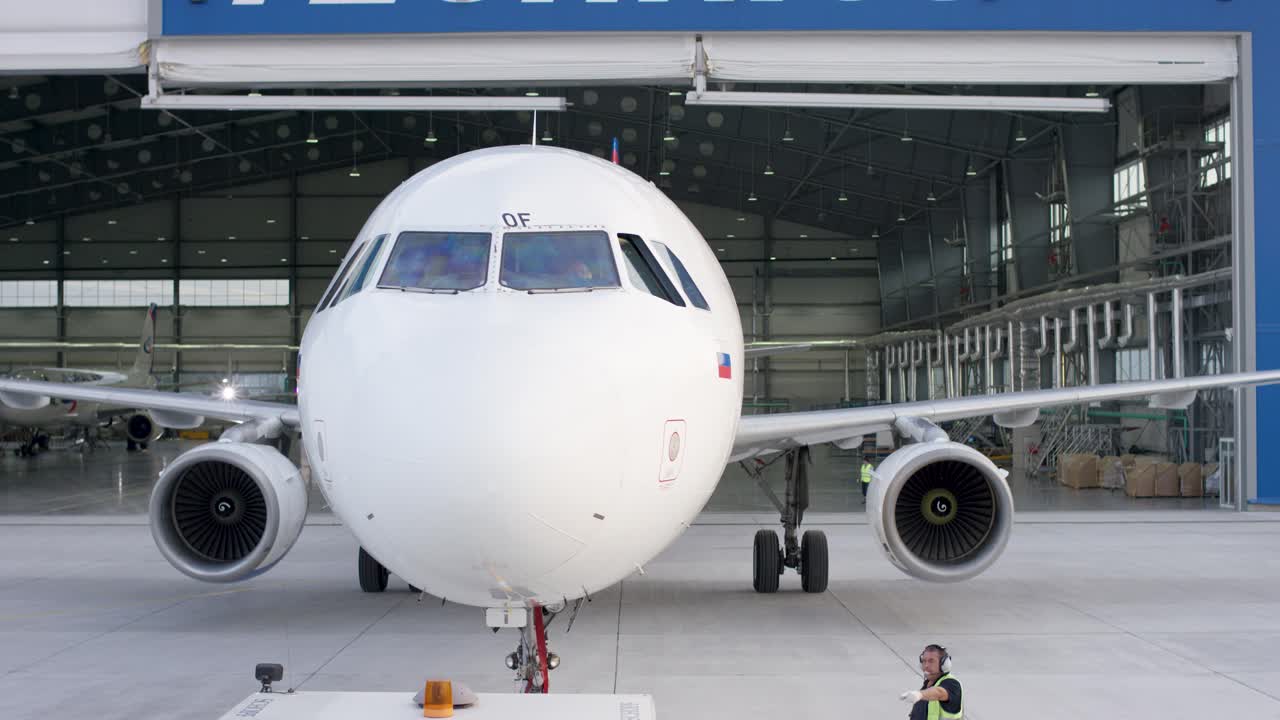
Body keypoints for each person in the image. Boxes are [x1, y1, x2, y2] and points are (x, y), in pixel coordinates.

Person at [899, 644, 962, 720]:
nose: (926, 665)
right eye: (924, 661)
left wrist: (920, 694)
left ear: (944, 664)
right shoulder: (927, 684)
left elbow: (939, 692)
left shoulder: (952, 684)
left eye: (931, 661)